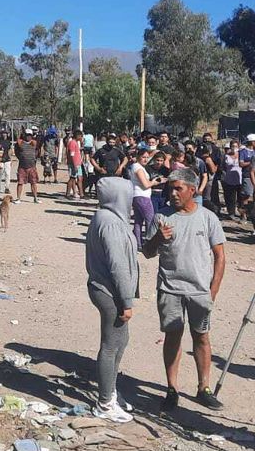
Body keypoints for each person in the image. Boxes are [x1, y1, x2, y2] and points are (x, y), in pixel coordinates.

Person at [143, 167, 227, 414]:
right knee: (173, 336)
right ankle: (172, 389)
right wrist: (158, 238)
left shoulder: (208, 218)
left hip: (200, 290)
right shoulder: (161, 216)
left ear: (192, 190)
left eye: (178, 188)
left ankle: (204, 389)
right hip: (170, 288)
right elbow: (148, 252)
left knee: (201, 336)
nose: (173, 193)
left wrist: (213, 291)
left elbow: (220, 256)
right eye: (170, 188)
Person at [86, 177, 140, 424]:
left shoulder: (108, 217)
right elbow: (118, 265)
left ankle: (111, 392)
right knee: (111, 345)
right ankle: (105, 403)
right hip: (110, 292)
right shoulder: (109, 223)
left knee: (121, 341)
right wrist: (126, 301)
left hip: (110, 290)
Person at [125, 147, 160, 249]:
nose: (145, 159)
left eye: (147, 157)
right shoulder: (138, 168)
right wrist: (154, 182)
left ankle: (138, 243)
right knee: (150, 220)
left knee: (138, 221)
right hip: (142, 196)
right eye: (143, 157)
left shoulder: (135, 166)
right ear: (138, 157)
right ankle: (149, 244)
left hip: (137, 195)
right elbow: (145, 184)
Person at [15, 128, 40, 203]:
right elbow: (16, 152)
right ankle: (18, 198)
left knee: (33, 182)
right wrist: (21, 158)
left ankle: (35, 198)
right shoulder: (20, 143)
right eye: (27, 135)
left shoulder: (34, 143)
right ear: (24, 135)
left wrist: (34, 158)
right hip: (22, 166)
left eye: (30, 135)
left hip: (32, 166)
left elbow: (37, 151)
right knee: (20, 182)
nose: (28, 137)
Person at [65, 130, 85, 199]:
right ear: (77, 136)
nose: (81, 137)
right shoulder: (72, 143)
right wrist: (74, 165)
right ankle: (67, 194)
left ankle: (81, 194)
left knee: (80, 178)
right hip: (74, 164)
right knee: (72, 178)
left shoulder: (76, 143)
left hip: (78, 164)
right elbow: (72, 155)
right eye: (81, 136)